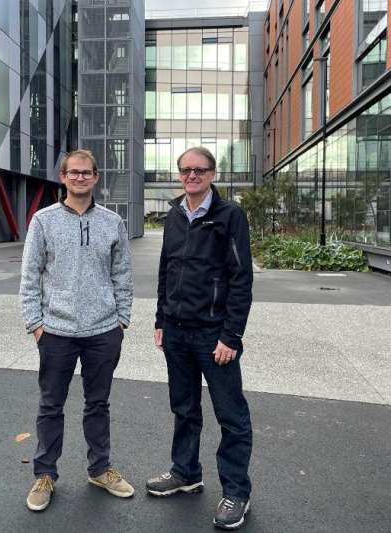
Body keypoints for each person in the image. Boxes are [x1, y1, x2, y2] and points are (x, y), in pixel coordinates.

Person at [19, 149, 134, 512]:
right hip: (56, 332)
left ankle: (100, 469)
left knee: (98, 404)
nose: (80, 178)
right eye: (74, 172)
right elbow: (30, 276)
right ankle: (45, 474)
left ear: (96, 177)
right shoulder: (43, 221)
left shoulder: (112, 222)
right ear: (63, 177)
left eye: (87, 173)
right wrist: (36, 325)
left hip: (104, 331)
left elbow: (123, 274)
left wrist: (122, 320)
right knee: (51, 405)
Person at [146, 146, 254, 530]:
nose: (192, 175)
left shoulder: (230, 216)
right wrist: (160, 319)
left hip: (214, 335)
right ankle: (186, 472)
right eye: (186, 170)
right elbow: (166, 269)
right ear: (179, 174)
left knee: (231, 415)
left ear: (212, 174)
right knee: (184, 408)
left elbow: (241, 279)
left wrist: (231, 336)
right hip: (176, 331)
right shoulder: (175, 215)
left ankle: (237, 491)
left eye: (200, 170)